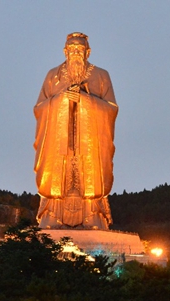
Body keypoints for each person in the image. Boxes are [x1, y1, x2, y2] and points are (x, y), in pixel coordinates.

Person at [33, 32, 118, 229]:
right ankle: (52, 214)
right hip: (59, 143)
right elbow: (39, 108)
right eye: (71, 49)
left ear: (88, 52)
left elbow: (112, 109)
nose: (75, 53)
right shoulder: (52, 76)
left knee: (89, 176)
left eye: (80, 49)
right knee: (57, 176)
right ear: (65, 51)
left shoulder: (101, 75)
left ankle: (93, 215)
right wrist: (61, 100)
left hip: (88, 145)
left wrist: (85, 101)